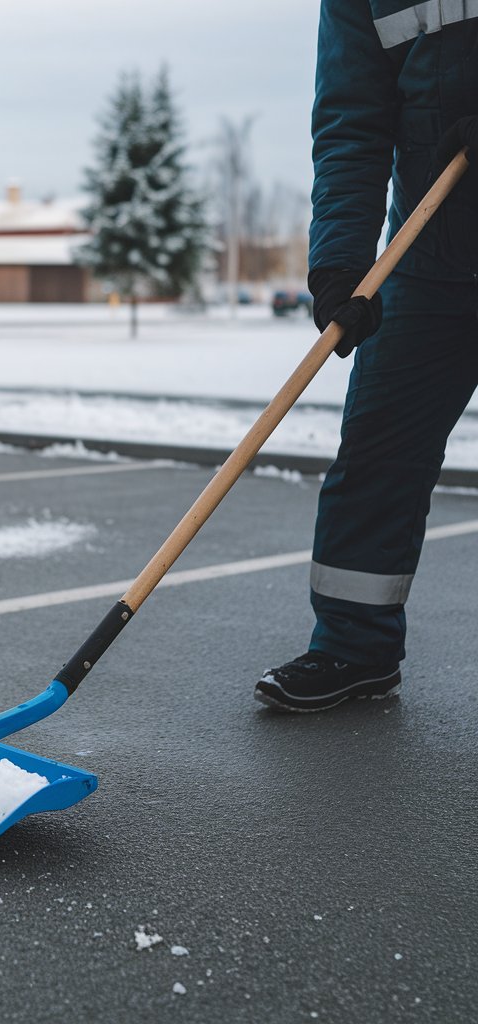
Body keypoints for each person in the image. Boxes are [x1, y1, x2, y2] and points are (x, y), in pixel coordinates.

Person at [255, 0, 478, 712]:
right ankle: (354, 648)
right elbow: (352, 122)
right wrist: (340, 268)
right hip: (431, 251)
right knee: (378, 449)